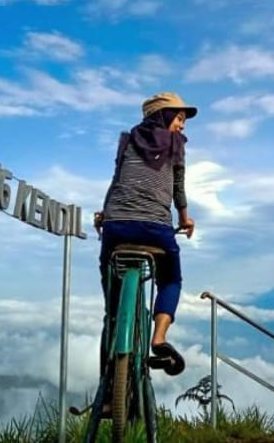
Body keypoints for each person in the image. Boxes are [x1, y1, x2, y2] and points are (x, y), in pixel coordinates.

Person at [94, 91, 197, 377]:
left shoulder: (127, 141)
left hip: (116, 226)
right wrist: (185, 219)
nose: (182, 125)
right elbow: (178, 189)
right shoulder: (176, 144)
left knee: (109, 284)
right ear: (164, 116)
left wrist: (106, 214)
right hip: (156, 229)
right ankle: (159, 339)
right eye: (179, 118)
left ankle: (114, 318)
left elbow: (117, 182)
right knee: (171, 279)